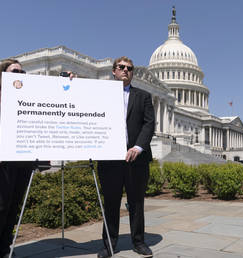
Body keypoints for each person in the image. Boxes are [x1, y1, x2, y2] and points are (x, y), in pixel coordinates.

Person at [0, 59, 74, 258]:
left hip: (21, 162)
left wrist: (64, 81)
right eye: (15, 70)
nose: (19, 73)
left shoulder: (27, 97)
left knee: (12, 208)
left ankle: (5, 250)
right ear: (2, 74)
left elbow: (51, 97)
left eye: (22, 71)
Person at [97, 56, 155, 258]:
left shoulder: (144, 96)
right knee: (111, 202)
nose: (125, 70)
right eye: (121, 67)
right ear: (114, 71)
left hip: (136, 158)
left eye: (129, 68)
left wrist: (138, 147)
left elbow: (149, 124)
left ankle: (138, 242)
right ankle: (109, 244)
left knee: (137, 202)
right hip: (109, 158)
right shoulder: (100, 93)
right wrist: (68, 80)